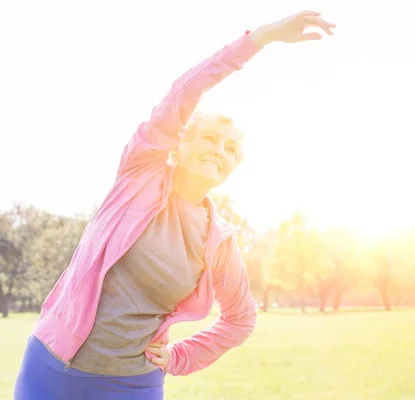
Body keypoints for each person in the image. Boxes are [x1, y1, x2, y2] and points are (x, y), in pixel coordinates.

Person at [14, 10, 335, 400]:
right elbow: (187, 90)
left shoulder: (220, 241)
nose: (220, 151)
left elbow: (240, 319)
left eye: (231, 149)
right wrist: (260, 39)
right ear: (180, 145)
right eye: (211, 139)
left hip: (131, 384)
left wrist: (181, 357)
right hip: (52, 368)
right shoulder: (140, 173)